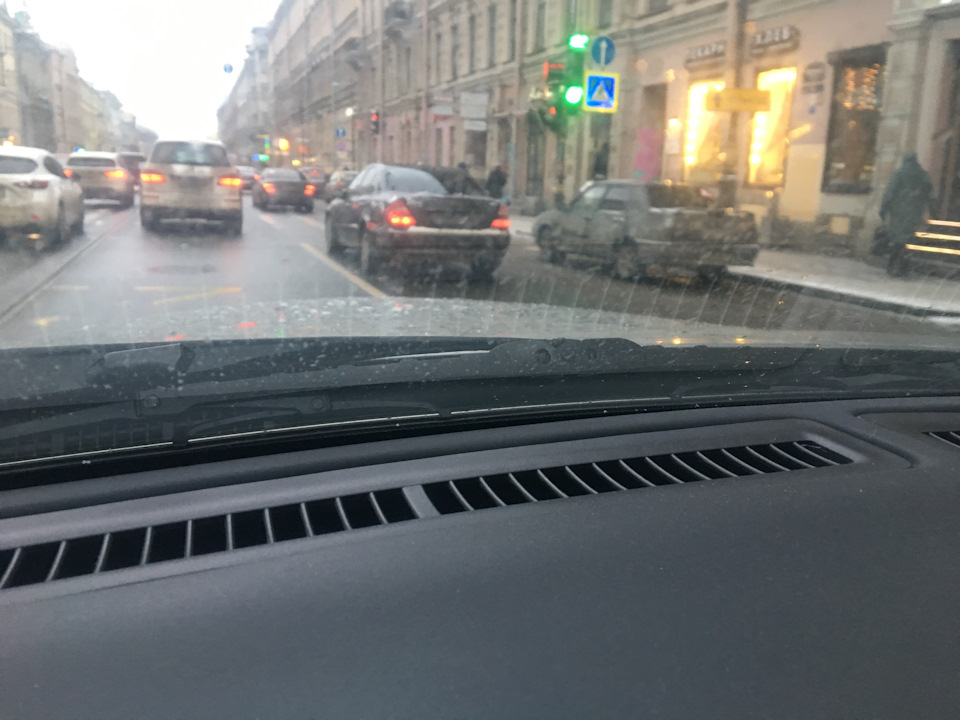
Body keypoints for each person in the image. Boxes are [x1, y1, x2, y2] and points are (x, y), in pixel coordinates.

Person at [880, 152, 933, 276]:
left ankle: (892, 266)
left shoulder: (899, 174)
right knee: (908, 240)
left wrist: (883, 210)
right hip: (914, 212)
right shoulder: (922, 175)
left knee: (897, 240)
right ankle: (904, 267)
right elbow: (928, 191)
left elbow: (889, 192)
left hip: (898, 212)